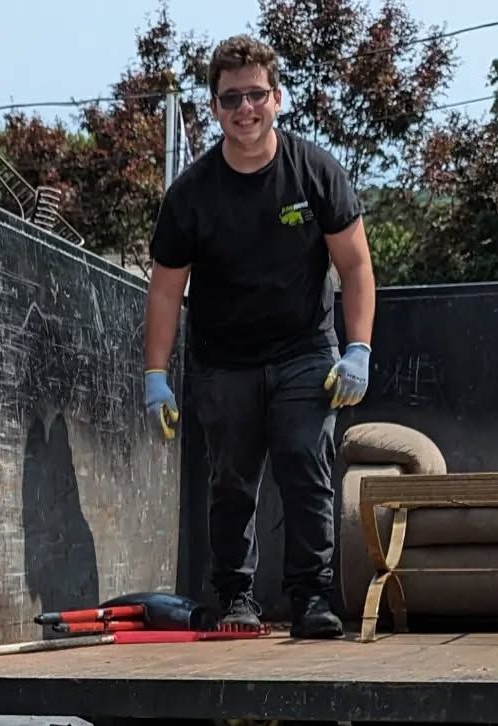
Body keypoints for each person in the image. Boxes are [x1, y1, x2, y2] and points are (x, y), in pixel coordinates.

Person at [143, 34, 376, 639]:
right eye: (230, 99)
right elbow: (166, 289)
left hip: (305, 351)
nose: (244, 109)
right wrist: (155, 377)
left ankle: (312, 599)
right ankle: (236, 599)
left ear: (277, 98)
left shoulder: (315, 172)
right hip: (223, 362)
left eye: (255, 95)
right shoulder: (191, 194)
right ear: (215, 108)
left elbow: (354, 266)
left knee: (305, 465)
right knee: (231, 482)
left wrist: (358, 349)